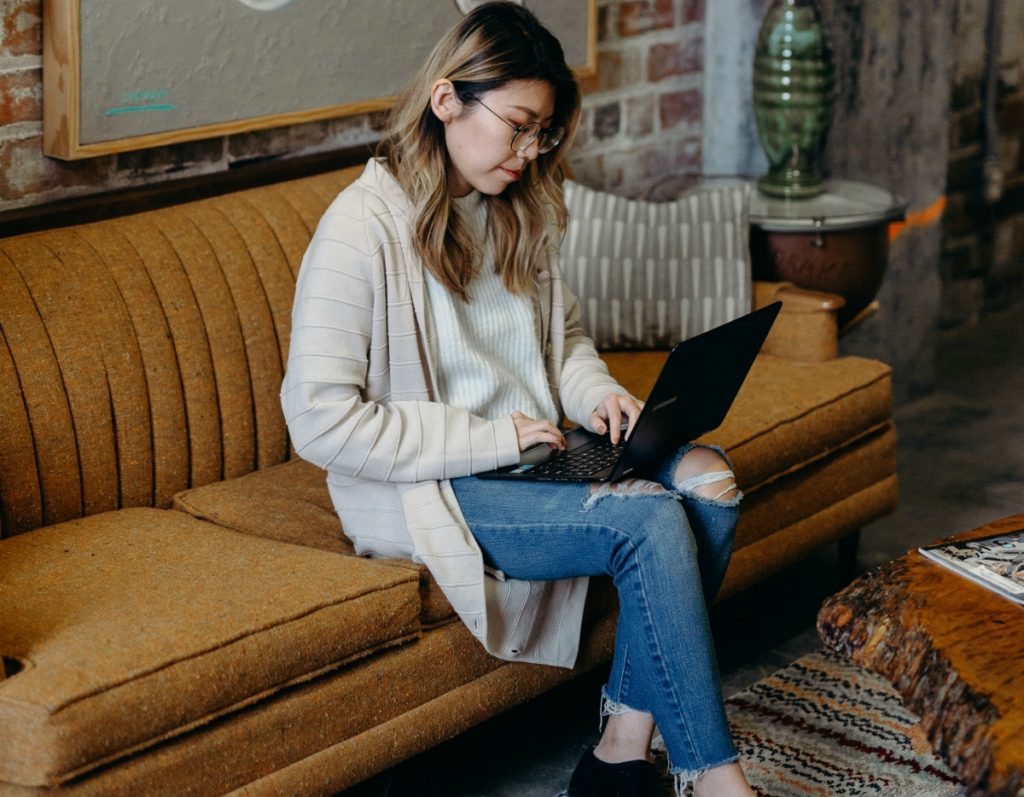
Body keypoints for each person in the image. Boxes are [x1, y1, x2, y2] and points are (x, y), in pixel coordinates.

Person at [281, 3, 756, 795]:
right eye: (520, 126)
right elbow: (319, 420)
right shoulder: (358, 231)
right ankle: (716, 778)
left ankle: (619, 750)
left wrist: (598, 392)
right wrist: (493, 439)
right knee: (648, 516)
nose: (532, 152)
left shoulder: (513, 206)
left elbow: (561, 339)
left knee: (708, 478)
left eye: (544, 134)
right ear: (446, 101)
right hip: (437, 485)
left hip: (536, 453)